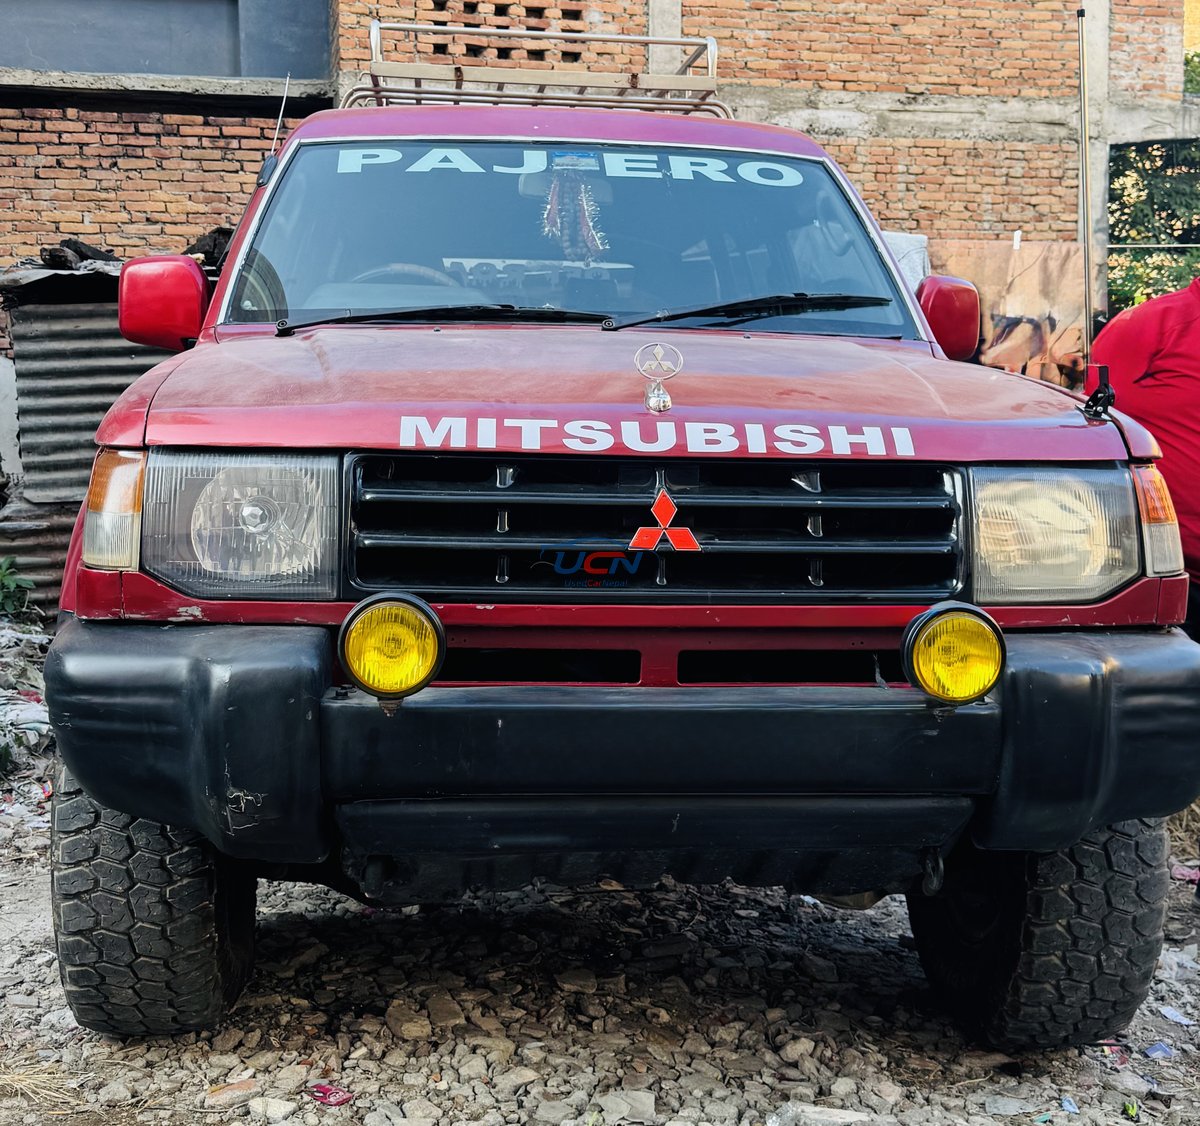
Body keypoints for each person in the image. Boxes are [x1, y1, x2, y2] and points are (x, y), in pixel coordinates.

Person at [1085, 277, 1200, 905]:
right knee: (1156, 717)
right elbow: (1091, 430)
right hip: (1169, 568)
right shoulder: (1152, 327)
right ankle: (1129, 859)